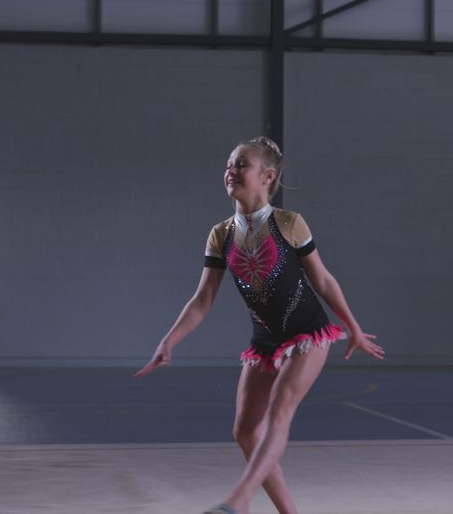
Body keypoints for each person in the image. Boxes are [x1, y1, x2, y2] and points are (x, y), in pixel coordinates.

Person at [134, 136, 385, 514]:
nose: (230, 171)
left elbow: (323, 281)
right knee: (245, 432)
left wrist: (352, 327)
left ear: (268, 176)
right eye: (229, 165)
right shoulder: (220, 235)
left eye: (241, 164)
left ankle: (239, 500)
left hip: (308, 334)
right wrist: (169, 341)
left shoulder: (289, 224)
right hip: (265, 340)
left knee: (279, 411)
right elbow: (202, 299)